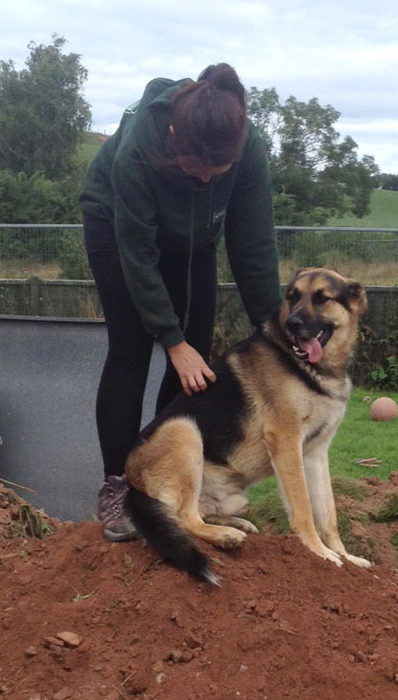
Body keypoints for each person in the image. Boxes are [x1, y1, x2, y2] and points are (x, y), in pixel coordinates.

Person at [79, 63, 282, 542]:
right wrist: (170, 340)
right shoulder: (139, 149)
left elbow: (252, 245)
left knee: (197, 361)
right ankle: (120, 486)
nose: (210, 181)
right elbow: (138, 255)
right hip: (117, 228)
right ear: (174, 137)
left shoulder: (246, 147)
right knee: (131, 348)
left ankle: (167, 480)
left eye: (220, 172)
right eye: (198, 170)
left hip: (194, 239)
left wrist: (274, 332)